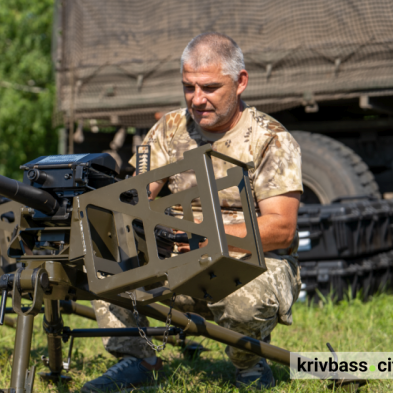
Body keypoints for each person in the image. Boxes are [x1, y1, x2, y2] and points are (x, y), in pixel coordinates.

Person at [82, 32, 303, 392]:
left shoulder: (270, 139)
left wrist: (208, 236)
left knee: (242, 300)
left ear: (240, 82)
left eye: (210, 87)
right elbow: (138, 194)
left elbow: (282, 230)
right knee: (110, 266)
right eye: (189, 87)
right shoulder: (170, 129)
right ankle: (141, 360)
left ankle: (249, 366)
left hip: (254, 260)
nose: (197, 100)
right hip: (174, 256)